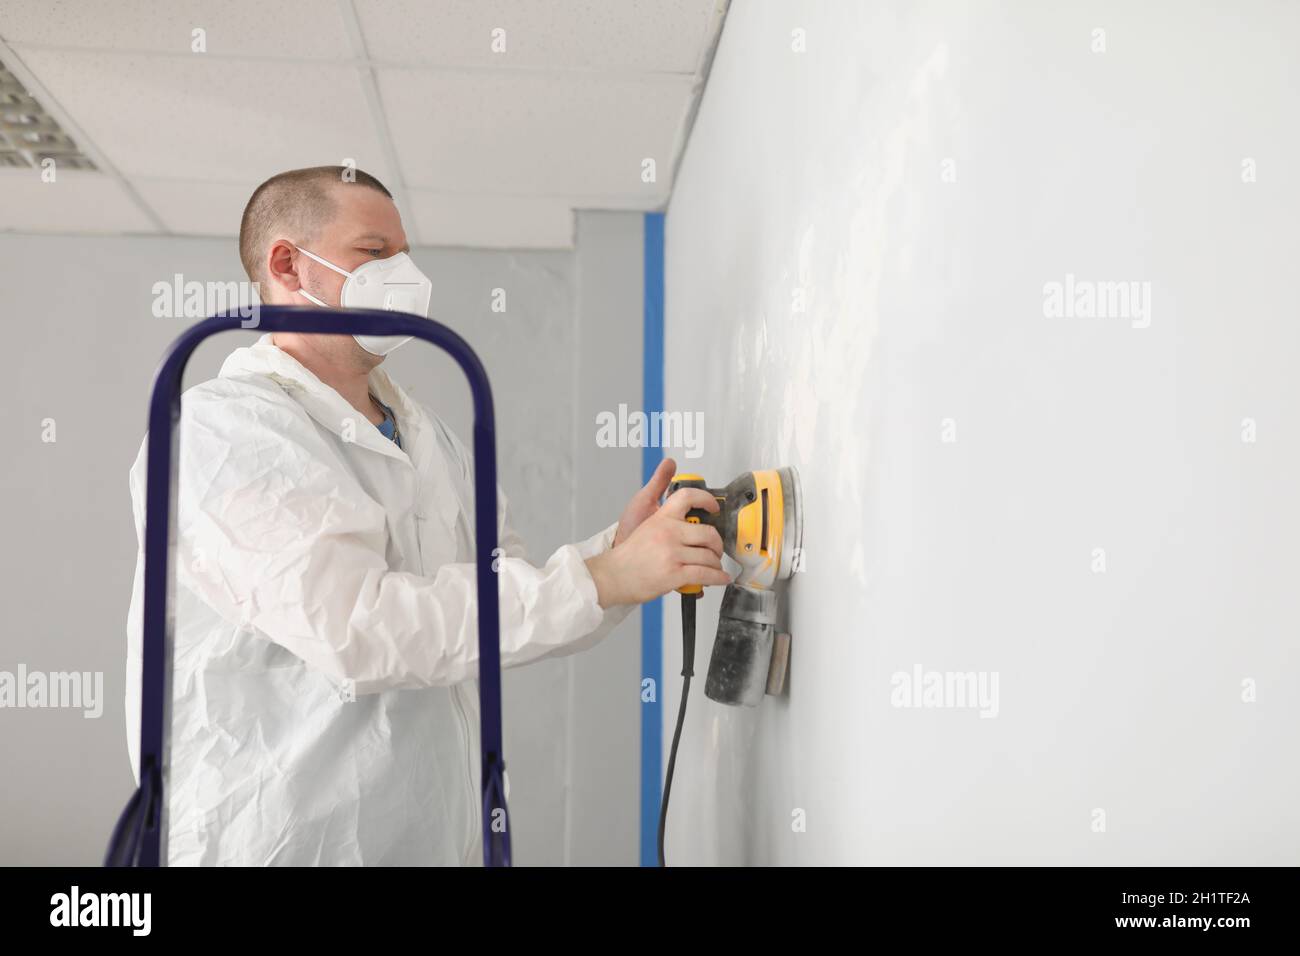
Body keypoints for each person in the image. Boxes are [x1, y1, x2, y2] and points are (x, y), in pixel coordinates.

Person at [124, 165, 729, 865]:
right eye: (375, 253)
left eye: (405, 254)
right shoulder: (222, 433)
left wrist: (616, 553)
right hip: (275, 843)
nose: (403, 274)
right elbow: (358, 626)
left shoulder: (428, 434)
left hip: (426, 839)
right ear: (289, 265)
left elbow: (501, 602)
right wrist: (601, 577)